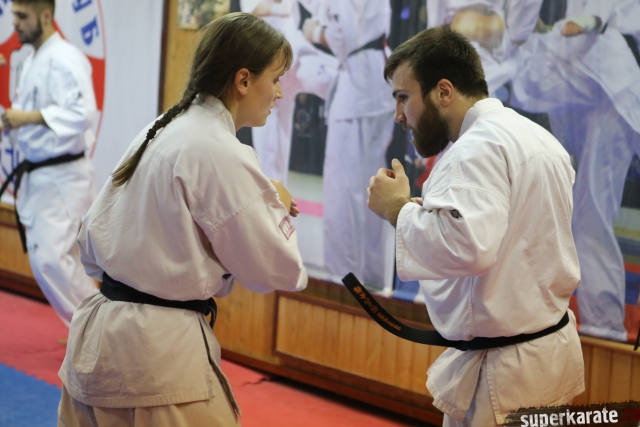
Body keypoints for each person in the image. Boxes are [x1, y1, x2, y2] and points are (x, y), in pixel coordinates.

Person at [57, 12, 307, 427]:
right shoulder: (217, 148)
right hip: (156, 355)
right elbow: (276, 268)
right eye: (276, 78)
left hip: (98, 337)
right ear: (243, 80)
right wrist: (275, 204)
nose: (280, 93)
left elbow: (92, 234)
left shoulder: (165, 126)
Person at [367, 27, 584, 426]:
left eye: (403, 97)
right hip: (542, 356)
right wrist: (425, 214)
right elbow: (508, 234)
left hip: (505, 375)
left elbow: (468, 247)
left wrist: (396, 209)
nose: (399, 115)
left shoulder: (473, 150)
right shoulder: (536, 137)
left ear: (443, 92)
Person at [511, 0, 640, 342]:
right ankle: (552, 315)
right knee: (560, 210)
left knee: (590, 216)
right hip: (577, 92)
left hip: (611, 94)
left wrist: (574, 25)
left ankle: (604, 327)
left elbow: (588, 20)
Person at [0, 0, 98, 327]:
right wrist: (10, 122)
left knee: (50, 261)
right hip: (41, 174)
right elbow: (23, 118)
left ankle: (99, 333)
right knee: (54, 261)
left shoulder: (66, 58)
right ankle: (92, 334)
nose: (15, 22)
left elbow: (82, 113)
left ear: (45, 16)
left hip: (62, 175)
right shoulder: (33, 60)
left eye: (22, 15)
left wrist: (26, 118)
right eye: (14, 15)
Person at [302, 0, 396, 289]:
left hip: (357, 88)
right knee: (372, 187)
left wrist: (314, 30)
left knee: (344, 190)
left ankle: (342, 278)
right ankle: (372, 275)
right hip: (376, 81)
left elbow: (343, 36)